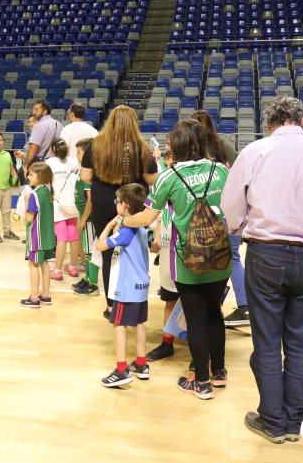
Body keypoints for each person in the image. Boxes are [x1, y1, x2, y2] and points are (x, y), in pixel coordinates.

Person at [221, 96, 303, 443]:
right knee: (300, 339)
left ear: (269, 123)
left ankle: (272, 420)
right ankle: (294, 421)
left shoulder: (255, 152)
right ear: (302, 120)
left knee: (267, 340)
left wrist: (241, 227)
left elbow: (230, 208)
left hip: (266, 254)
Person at [121, 119, 232, 400]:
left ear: (178, 146)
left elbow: (147, 217)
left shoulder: (168, 178)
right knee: (214, 314)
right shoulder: (220, 170)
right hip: (220, 257)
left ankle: (201, 383)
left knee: (195, 319)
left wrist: (124, 219)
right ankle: (218, 372)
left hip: (189, 261)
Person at [79, 105, 158, 317]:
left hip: (104, 202)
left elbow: (85, 176)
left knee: (107, 254)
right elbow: (152, 179)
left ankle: (111, 306)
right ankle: (133, 301)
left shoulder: (96, 146)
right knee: (135, 251)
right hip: (132, 204)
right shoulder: (141, 147)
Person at [191, 109, 248, 327]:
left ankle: (225, 307)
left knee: (207, 260)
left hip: (204, 214)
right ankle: (242, 306)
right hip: (228, 210)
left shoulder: (193, 150)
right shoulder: (223, 145)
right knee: (231, 257)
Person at [97, 183, 152, 388]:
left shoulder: (127, 231)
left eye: (117, 202)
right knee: (139, 323)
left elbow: (100, 245)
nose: (115, 205)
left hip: (127, 287)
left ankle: (121, 370)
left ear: (125, 205)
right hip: (142, 286)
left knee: (119, 325)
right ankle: (141, 364)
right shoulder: (143, 229)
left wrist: (109, 226)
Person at [146, 146, 179, 361]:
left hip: (189, 257)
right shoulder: (163, 188)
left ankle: (199, 348)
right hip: (168, 257)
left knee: (196, 306)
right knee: (169, 301)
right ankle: (167, 342)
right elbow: (159, 219)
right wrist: (157, 239)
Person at [22, 162, 56, 308]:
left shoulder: (34, 195)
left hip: (37, 237)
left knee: (33, 265)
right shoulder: (48, 191)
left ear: (40, 176)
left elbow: (29, 218)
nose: (28, 177)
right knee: (45, 263)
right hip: (48, 236)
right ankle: (46, 295)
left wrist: (25, 202)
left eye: (31, 174)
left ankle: (34, 298)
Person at [47, 138, 81, 281]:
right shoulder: (73, 161)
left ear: (53, 150)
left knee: (61, 238)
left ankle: (57, 270)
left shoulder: (49, 163)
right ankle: (73, 267)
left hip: (58, 204)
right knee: (73, 236)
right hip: (73, 204)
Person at [71, 138, 100, 296]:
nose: (76, 155)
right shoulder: (81, 169)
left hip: (89, 219)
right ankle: (87, 279)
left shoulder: (89, 174)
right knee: (87, 249)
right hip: (83, 215)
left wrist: (83, 219)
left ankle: (93, 284)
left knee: (90, 252)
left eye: (79, 152)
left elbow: (90, 199)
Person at [18, 100, 63, 166]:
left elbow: (33, 148)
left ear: (44, 112)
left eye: (36, 110)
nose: (33, 112)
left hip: (41, 165)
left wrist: (25, 166)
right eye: (33, 110)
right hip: (57, 163)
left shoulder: (39, 125)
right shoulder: (59, 124)